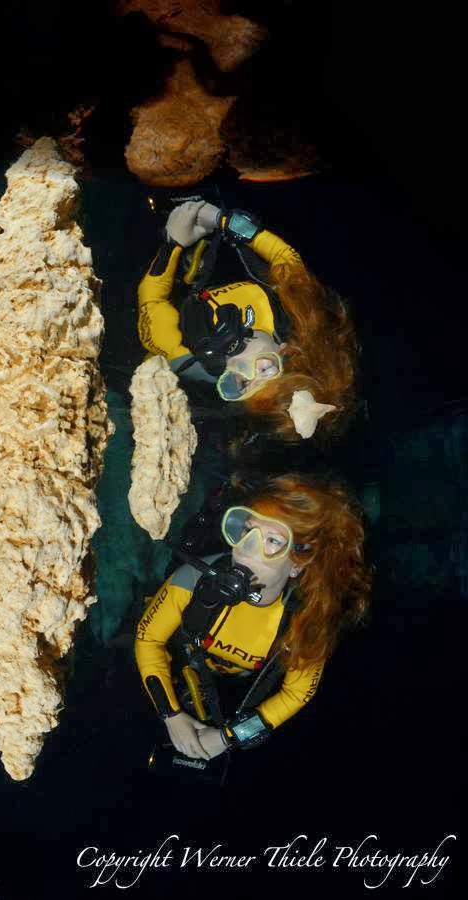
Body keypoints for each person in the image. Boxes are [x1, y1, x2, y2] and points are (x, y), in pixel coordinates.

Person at [134, 473, 371, 760]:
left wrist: (227, 738)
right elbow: (148, 639)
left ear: (298, 563)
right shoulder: (193, 580)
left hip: (240, 694)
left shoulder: (308, 621)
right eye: (247, 530)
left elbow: (297, 693)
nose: (244, 550)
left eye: (272, 540)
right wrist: (170, 715)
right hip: (176, 671)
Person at [137, 199, 360, 442]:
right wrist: (227, 221)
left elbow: (152, 299)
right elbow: (285, 257)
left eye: (241, 383)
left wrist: (172, 244)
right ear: (285, 351)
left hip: (183, 273)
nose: (242, 362)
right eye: (265, 368)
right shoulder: (293, 309)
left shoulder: (186, 357)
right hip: (225, 243)